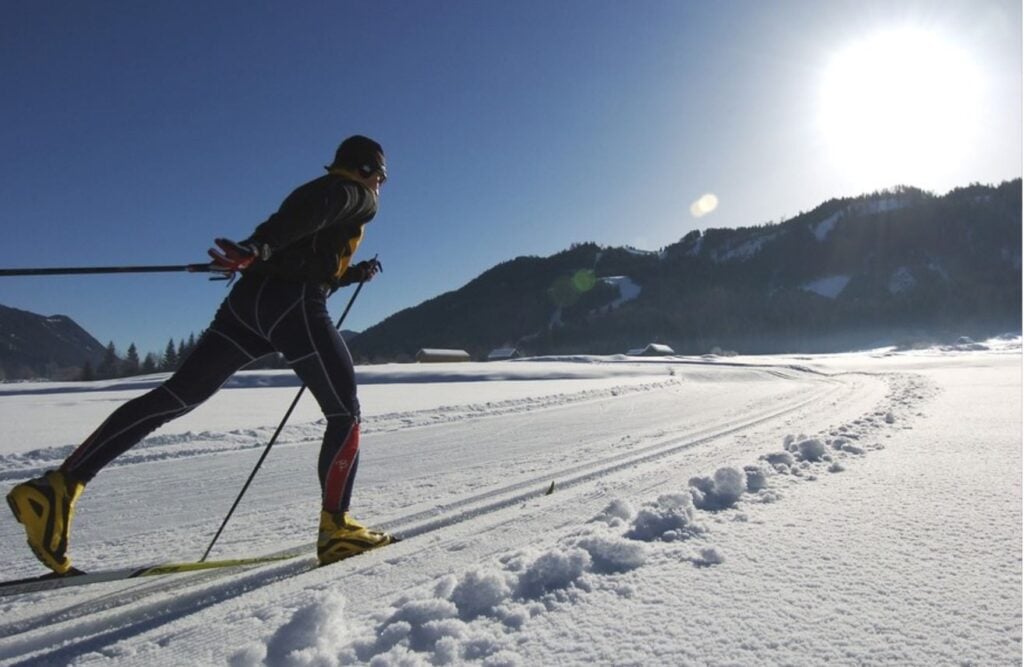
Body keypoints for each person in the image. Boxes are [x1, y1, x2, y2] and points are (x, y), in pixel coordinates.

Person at [6, 135, 393, 574]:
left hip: (248, 307)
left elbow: (302, 245)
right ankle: (337, 528)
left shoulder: (312, 191)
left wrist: (338, 270)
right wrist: (259, 246)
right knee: (346, 414)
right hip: (292, 307)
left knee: (176, 396)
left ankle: (58, 487)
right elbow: (321, 212)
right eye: (381, 176)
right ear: (365, 171)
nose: (380, 186)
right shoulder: (355, 194)